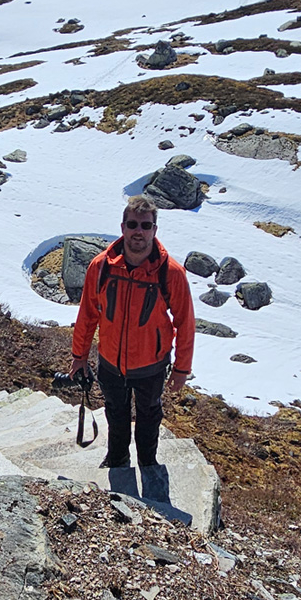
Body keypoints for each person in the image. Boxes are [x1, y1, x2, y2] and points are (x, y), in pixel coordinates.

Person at [70, 194, 196, 468]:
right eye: (133, 224)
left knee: (149, 415)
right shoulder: (101, 267)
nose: (139, 231)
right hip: (110, 362)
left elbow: (185, 322)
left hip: (151, 365)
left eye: (145, 225)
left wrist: (181, 370)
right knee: (116, 414)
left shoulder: (171, 272)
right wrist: (79, 356)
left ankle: (148, 463)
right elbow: (88, 314)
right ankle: (118, 459)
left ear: (155, 229)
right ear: (123, 227)